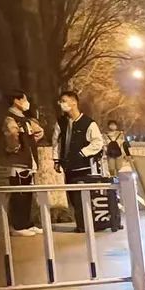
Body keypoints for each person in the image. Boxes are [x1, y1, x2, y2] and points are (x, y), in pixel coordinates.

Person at [51, 90, 103, 233]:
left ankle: (87, 224)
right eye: (60, 101)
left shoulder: (88, 123)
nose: (61, 104)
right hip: (68, 167)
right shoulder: (61, 122)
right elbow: (56, 142)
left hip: (84, 167)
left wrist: (83, 153)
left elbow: (98, 142)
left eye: (64, 101)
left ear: (74, 102)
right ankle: (81, 224)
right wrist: (56, 160)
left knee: (83, 197)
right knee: (73, 197)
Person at [0, 91, 44, 236]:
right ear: (16, 101)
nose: (26, 102)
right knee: (19, 194)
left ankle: (27, 223)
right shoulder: (10, 118)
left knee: (27, 194)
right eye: (24, 99)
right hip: (17, 163)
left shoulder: (25, 118)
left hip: (28, 161)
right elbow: (11, 135)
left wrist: (30, 142)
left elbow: (38, 131)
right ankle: (18, 226)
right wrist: (15, 147)